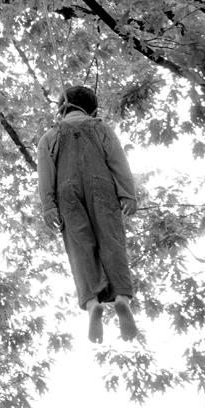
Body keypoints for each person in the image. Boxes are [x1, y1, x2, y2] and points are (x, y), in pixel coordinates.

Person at [36, 85, 139, 342]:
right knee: (112, 241)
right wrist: (128, 193)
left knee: (80, 247)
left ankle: (93, 303)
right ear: (93, 109)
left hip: (67, 193)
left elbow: (45, 175)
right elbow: (117, 161)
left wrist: (48, 206)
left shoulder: (50, 136)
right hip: (101, 187)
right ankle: (122, 297)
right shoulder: (100, 128)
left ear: (62, 109)